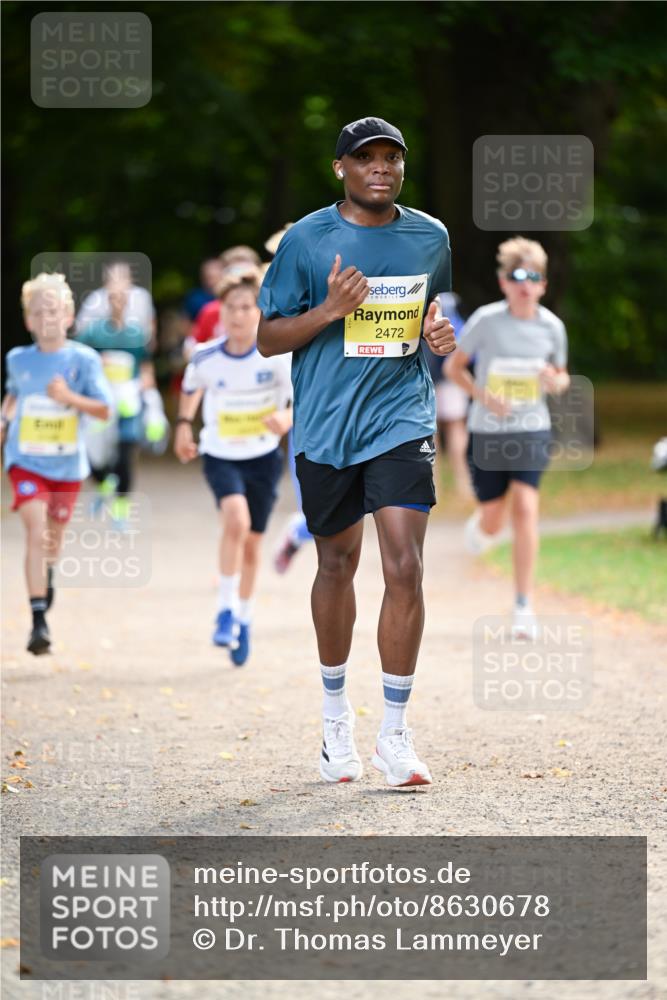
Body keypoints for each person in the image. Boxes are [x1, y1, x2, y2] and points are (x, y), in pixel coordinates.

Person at [257, 116, 455, 787]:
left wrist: (438, 336)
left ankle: (395, 736)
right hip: (326, 425)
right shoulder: (307, 241)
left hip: (399, 417)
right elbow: (266, 337)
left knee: (404, 566)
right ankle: (334, 721)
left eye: (391, 158)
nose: (380, 168)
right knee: (337, 563)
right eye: (364, 157)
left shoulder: (430, 237)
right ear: (339, 167)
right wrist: (328, 313)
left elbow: (433, 313)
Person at [446, 237, 570, 638]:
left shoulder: (552, 328)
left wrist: (555, 380)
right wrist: (483, 396)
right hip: (488, 430)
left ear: (543, 285)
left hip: (532, 428)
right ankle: (484, 527)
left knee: (527, 509)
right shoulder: (486, 320)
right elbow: (453, 369)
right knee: (495, 519)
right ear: (504, 282)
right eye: (518, 277)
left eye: (534, 277)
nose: (525, 284)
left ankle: (522, 606)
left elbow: (561, 377)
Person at [174, 268, 293, 666]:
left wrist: (287, 420)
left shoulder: (275, 356)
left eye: (247, 307)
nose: (239, 315)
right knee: (236, 522)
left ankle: (244, 616)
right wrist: (183, 426)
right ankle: (224, 610)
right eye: (231, 307)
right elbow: (191, 388)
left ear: (260, 311)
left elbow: (299, 398)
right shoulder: (207, 355)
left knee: (253, 544)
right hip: (221, 454)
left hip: (263, 458)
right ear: (220, 311)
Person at [1, 273, 112, 654]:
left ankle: (45, 577)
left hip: (66, 467)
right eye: (38, 312)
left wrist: (69, 397)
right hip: (25, 461)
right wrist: (3, 420)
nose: (46, 317)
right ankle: (38, 621)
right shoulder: (17, 359)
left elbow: (103, 410)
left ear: (68, 315)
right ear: (28, 320)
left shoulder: (84, 359)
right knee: (34, 529)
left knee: (51, 539)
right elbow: (13, 396)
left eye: (54, 310)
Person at [76, 279, 162, 529]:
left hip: (128, 402)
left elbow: (146, 366)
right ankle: (104, 485)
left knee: (126, 451)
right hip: (100, 403)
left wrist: (148, 384)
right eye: (113, 297)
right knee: (92, 456)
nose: (118, 302)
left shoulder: (137, 333)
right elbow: (78, 360)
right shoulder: (92, 332)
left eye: (122, 297)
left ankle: (120, 512)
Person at [422, 291, 472, 498]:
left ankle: (435, 486)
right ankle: (464, 484)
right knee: (455, 427)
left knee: (430, 432)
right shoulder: (451, 299)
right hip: (450, 373)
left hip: (425, 373)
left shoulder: (416, 291)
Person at [76, 261, 156, 343]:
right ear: (106, 281)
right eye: (114, 279)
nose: (118, 283)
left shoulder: (142, 296)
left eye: (123, 278)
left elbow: (150, 321)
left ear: (130, 279)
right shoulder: (94, 298)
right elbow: (81, 329)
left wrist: (151, 341)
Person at [183, 257, 225, 323]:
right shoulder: (194, 298)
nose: (212, 281)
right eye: (209, 276)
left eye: (214, 276)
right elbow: (186, 323)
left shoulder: (230, 296)